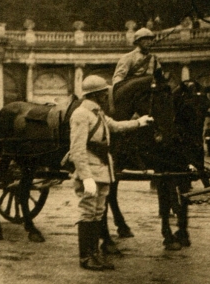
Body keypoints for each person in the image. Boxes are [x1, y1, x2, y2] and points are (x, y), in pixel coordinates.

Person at [61, 75, 154, 271]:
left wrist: (140, 122)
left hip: (103, 170)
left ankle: (95, 254)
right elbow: (77, 150)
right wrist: (86, 178)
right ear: (94, 95)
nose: (107, 96)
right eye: (104, 93)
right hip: (90, 173)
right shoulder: (81, 114)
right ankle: (86, 257)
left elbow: (116, 126)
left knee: (97, 213)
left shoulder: (98, 113)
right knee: (87, 212)